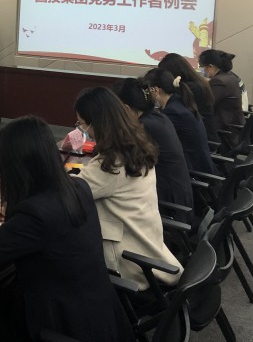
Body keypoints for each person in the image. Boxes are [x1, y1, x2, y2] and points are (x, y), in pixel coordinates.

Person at [0, 115, 130, 341]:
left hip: (63, 327)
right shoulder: (78, 187)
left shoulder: (35, 214)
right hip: (102, 318)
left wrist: (11, 221)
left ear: (13, 166)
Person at [73, 87, 182, 291]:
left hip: (128, 268)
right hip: (148, 249)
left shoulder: (112, 164)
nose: (83, 130)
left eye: (82, 124)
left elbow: (67, 195)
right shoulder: (136, 146)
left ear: (98, 124)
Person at [112, 78, 193, 219]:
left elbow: (122, 162)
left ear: (125, 108)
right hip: (178, 197)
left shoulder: (144, 127)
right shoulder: (158, 117)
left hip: (168, 206)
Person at [143, 68, 217, 175]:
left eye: (147, 92)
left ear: (155, 90)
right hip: (199, 166)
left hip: (194, 172)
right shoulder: (179, 102)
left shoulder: (173, 112)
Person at [158, 52, 217, 141]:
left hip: (202, 139)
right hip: (203, 135)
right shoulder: (198, 83)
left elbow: (174, 114)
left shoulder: (189, 89)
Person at [198, 49, 247, 137]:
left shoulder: (219, 81)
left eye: (203, 67)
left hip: (223, 133)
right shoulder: (230, 76)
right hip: (233, 129)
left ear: (210, 66)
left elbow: (205, 105)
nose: (203, 70)